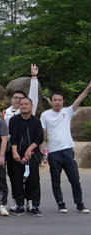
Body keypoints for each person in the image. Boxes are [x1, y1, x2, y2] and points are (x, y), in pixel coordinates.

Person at [40, 77, 91, 214]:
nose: (57, 102)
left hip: (67, 150)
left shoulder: (67, 112)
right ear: (51, 101)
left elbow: (79, 100)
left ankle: (79, 204)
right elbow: (42, 134)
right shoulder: (45, 115)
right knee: (55, 180)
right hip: (53, 152)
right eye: (55, 100)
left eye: (59, 100)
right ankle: (60, 204)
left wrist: (88, 87)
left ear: (63, 102)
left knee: (75, 179)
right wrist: (42, 149)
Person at [9, 97, 44, 216]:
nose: (24, 106)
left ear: (31, 106)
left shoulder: (36, 121)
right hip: (18, 155)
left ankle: (34, 205)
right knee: (17, 180)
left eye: (26, 104)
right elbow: (13, 137)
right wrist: (14, 152)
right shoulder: (14, 120)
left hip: (32, 155)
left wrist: (29, 149)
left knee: (34, 180)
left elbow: (39, 137)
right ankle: (20, 205)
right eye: (22, 104)